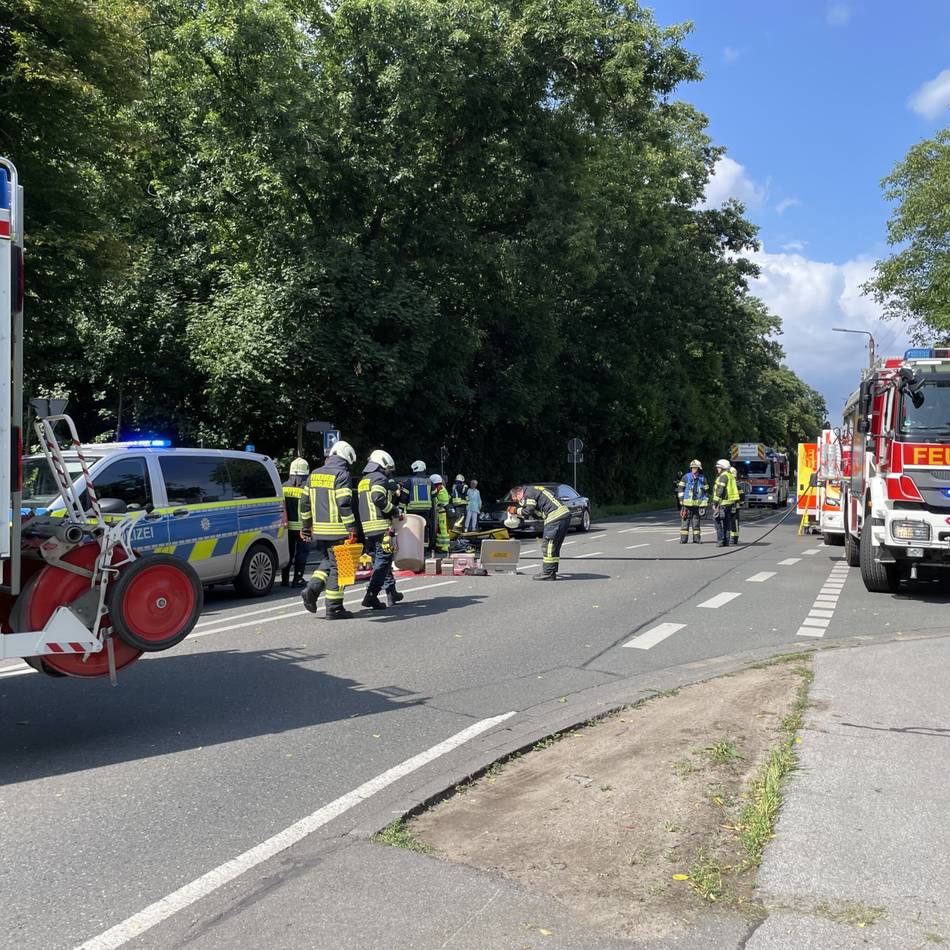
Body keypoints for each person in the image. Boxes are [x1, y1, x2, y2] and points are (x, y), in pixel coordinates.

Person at [299, 440, 358, 619]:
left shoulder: (314, 474)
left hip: (320, 532)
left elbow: (304, 503)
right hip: (338, 531)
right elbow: (344, 503)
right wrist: (351, 527)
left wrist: (306, 527)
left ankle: (311, 589)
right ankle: (334, 607)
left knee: (327, 562)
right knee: (339, 568)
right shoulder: (342, 474)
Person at [357, 449, 407, 610]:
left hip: (368, 527)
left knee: (383, 560)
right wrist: (394, 511)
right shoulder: (379, 478)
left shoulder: (364, 480)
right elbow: (378, 498)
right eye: (388, 469)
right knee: (383, 562)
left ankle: (391, 592)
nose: (388, 473)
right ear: (382, 465)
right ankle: (371, 595)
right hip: (381, 526)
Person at [509, 484, 570, 580]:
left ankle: (548, 573)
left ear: (518, 493)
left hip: (555, 517)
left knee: (548, 546)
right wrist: (520, 514)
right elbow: (536, 514)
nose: (520, 502)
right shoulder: (534, 490)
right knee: (554, 546)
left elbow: (529, 510)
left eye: (517, 500)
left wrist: (515, 510)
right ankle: (551, 571)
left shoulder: (527, 493)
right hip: (563, 515)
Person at [281, 456, 310, 587]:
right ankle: (297, 579)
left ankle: (284, 579)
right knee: (302, 553)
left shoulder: (283, 487)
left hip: (287, 528)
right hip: (303, 528)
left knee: (288, 553)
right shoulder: (307, 488)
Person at [677, 460, 708, 544]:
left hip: (697, 505)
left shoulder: (702, 478)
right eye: (692, 467)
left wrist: (704, 505)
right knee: (685, 521)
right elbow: (680, 489)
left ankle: (696, 539)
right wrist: (681, 499)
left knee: (696, 522)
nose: (694, 469)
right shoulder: (686, 477)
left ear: (699, 469)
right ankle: (683, 539)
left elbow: (706, 492)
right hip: (686, 504)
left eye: (695, 468)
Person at [712, 458, 740, 547]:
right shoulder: (730, 476)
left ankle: (720, 541)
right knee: (727, 523)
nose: (717, 469)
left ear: (722, 468)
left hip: (722, 503)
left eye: (718, 467)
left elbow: (720, 490)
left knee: (717, 521)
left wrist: (715, 502)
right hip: (730, 503)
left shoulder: (723, 476)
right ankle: (726, 541)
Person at [405, 459, 433, 545]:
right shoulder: (429, 481)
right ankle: (424, 549)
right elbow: (434, 494)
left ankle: (413, 546)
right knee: (424, 528)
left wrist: (401, 507)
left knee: (413, 528)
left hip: (412, 510)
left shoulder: (410, 481)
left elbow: (404, 496)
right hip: (426, 510)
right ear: (424, 469)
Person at [430, 473, 451, 555]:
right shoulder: (441, 488)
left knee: (443, 530)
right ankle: (439, 545)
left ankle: (445, 547)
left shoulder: (439, 489)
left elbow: (438, 501)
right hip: (441, 512)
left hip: (442, 512)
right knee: (440, 530)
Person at [730, 466, 745, 544]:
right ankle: (734, 539)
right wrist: (741, 504)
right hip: (736, 508)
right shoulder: (737, 486)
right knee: (735, 523)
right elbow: (742, 498)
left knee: (729, 523)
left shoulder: (727, 486)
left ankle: (730, 538)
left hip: (728, 507)